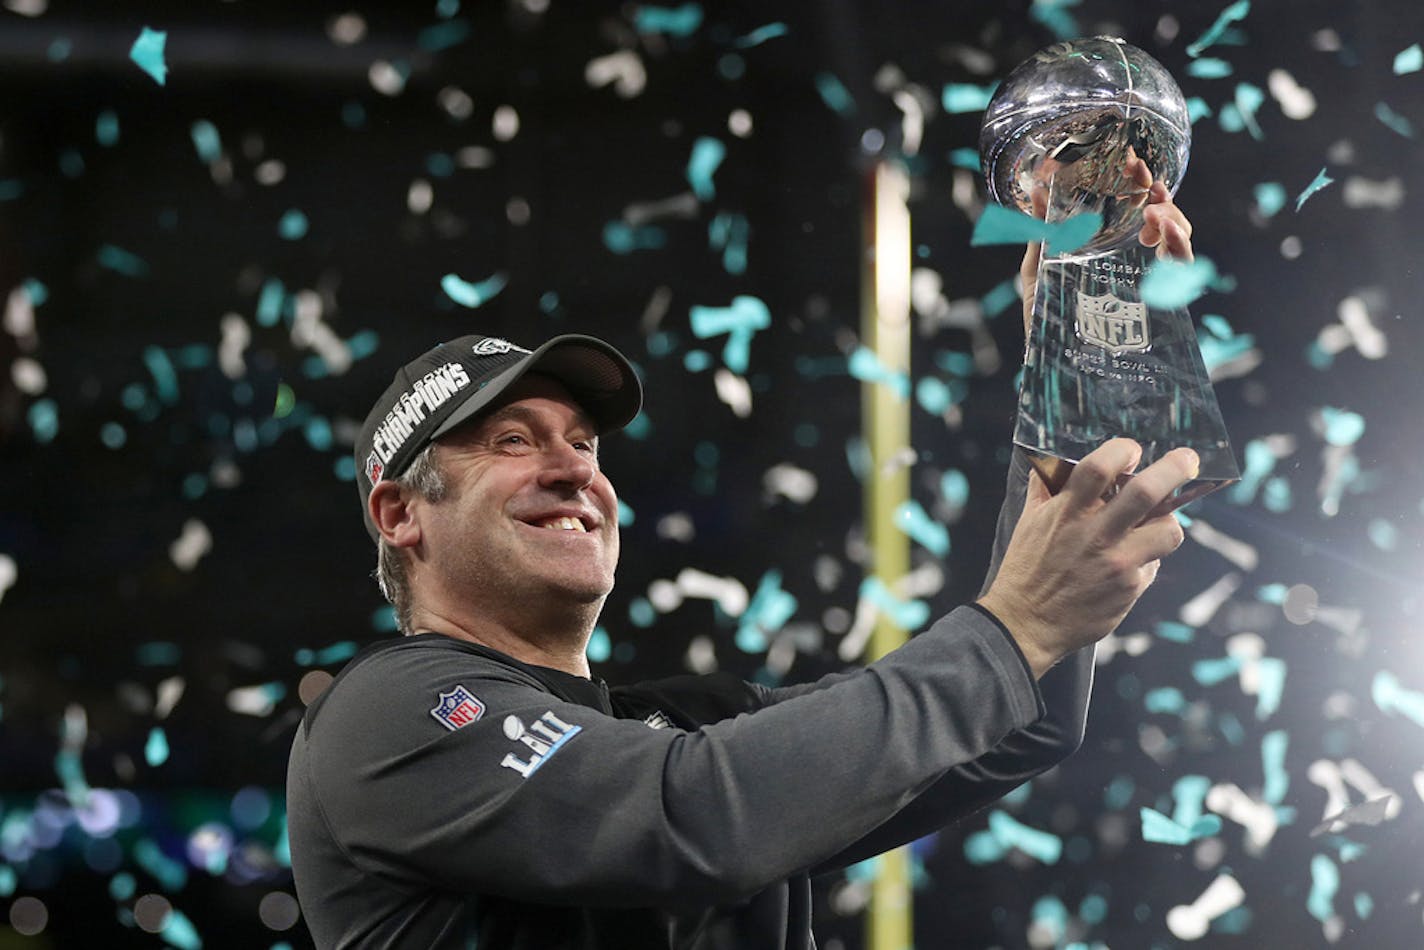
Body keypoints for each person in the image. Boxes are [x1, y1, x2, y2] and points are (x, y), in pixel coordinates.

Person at [286, 187, 1196, 948]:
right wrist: (1018, 625)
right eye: (513, 441)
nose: (575, 469)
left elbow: (1018, 719)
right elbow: (692, 820)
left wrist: (1066, 380)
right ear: (401, 514)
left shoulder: (684, 727)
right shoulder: (386, 716)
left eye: (586, 442)